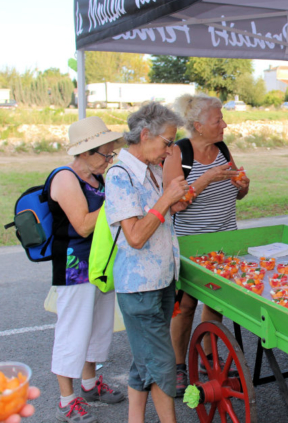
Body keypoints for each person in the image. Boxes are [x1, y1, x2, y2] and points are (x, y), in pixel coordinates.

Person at [104, 102, 188, 423]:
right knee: (162, 365)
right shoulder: (119, 175)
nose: (170, 150)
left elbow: (162, 215)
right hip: (139, 288)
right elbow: (136, 237)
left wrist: (175, 198)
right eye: (168, 142)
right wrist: (166, 198)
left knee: (146, 359)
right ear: (145, 135)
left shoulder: (151, 169)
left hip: (162, 280)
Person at [163, 93, 250, 397]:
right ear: (198, 125)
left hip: (226, 241)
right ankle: (177, 365)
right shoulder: (178, 153)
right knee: (185, 307)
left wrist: (243, 186)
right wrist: (206, 179)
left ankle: (208, 357)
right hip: (191, 246)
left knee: (215, 302)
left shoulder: (222, 149)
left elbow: (237, 193)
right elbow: (175, 206)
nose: (224, 124)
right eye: (218, 120)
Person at [49, 116, 125, 423]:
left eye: (111, 154)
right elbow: (81, 226)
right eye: (104, 154)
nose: (109, 160)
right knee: (73, 331)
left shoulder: (98, 177)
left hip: (100, 264)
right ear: (84, 152)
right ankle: (67, 399)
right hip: (73, 268)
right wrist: (115, 202)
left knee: (98, 326)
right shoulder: (65, 178)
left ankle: (90, 384)